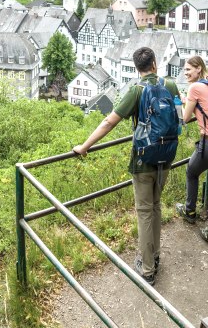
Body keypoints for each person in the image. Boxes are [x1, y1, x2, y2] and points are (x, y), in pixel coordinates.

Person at [73, 47, 180, 286]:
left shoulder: (136, 91)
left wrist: (85, 145)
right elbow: (180, 117)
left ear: (137, 68)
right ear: (154, 64)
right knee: (156, 206)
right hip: (167, 156)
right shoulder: (171, 85)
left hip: (143, 160)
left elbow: (109, 121)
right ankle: (156, 254)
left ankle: (148, 269)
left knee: (144, 212)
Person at [175, 56, 208, 241]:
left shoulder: (195, 87)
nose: (186, 73)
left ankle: (189, 212)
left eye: (189, 70)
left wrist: (184, 101)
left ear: (198, 69)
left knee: (191, 172)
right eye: (185, 70)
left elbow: (185, 118)